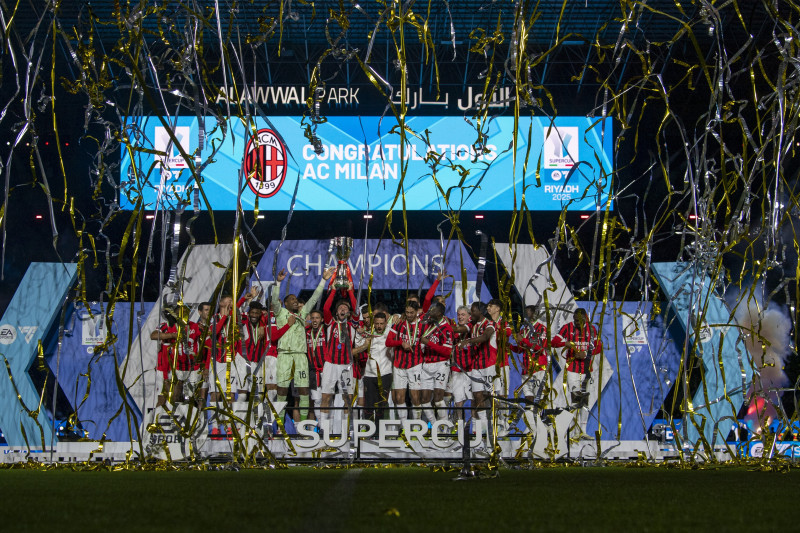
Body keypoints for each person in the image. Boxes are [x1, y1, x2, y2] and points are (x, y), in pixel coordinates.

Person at [270, 267, 334, 424]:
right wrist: (278, 283)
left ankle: (304, 426)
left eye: (296, 300)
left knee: (304, 392)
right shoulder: (280, 313)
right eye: (292, 299)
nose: (295, 301)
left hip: (300, 356)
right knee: (282, 391)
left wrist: (323, 280)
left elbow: (314, 298)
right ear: (285, 303)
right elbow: (274, 300)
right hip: (284, 355)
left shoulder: (302, 314)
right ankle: (280, 426)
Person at [550, 308, 603, 440]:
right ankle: (573, 431)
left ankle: (582, 431)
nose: (577, 323)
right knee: (575, 398)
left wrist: (585, 353)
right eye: (575, 320)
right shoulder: (567, 328)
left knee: (585, 400)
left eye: (579, 320)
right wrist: (565, 343)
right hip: (572, 369)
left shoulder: (592, 329)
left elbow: (598, 347)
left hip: (587, 370)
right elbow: (553, 342)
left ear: (585, 318)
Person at [319, 289, 363, 434]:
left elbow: (356, 309)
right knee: (326, 396)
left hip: (346, 366)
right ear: (336, 312)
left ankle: (346, 431)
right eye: (340, 308)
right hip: (330, 364)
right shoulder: (330, 322)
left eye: (346, 308)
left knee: (347, 399)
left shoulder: (353, 325)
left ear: (349, 313)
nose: (343, 309)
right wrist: (333, 290)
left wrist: (350, 291)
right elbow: (326, 308)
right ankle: (324, 430)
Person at [149, 303, 201, 426]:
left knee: (179, 397)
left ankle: (181, 423)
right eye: (178, 313)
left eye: (185, 313)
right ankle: (155, 424)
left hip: (181, 366)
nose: (182, 316)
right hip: (164, 367)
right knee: (163, 397)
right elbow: (153, 335)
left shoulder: (193, 326)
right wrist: (172, 335)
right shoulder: (166, 326)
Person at [457, 302, 496, 428]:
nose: (471, 313)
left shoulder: (490, 324)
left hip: (489, 365)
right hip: (476, 365)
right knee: (477, 394)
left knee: (491, 395)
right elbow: (460, 329)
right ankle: (484, 426)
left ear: (480, 311)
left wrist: (468, 341)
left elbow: (485, 337)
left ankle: (497, 422)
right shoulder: (472, 324)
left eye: (473, 311)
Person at [386, 300, 425, 421]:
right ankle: (404, 426)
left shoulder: (423, 325)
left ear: (417, 312)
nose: (408, 315)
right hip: (399, 364)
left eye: (411, 312)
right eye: (407, 312)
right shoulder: (399, 323)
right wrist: (401, 343)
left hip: (415, 364)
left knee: (415, 397)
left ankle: (417, 426)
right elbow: (388, 342)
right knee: (399, 398)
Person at [513, 304, 549, 433]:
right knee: (529, 399)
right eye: (525, 312)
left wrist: (523, 340)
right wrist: (509, 346)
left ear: (535, 313)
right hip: (526, 370)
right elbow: (520, 349)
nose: (526, 315)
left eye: (528, 312)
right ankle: (532, 427)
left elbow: (539, 348)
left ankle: (542, 425)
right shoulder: (524, 329)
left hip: (538, 368)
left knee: (539, 399)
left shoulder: (541, 329)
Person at [419, 302, 454, 423]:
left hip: (441, 365)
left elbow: (447, 352)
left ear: (439, 313)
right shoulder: (428, 325)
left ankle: (445, 426)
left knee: (438, 399)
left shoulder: (447, 329)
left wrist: (428, 343)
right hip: (426, 365)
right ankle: (435, 426)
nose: (430, 311)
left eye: (432, 310)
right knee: (424, 400)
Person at [358, 312, 393, 421]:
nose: (379, 326)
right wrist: (364, 342)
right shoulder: (367, 334)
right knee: (368, 405)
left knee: (381, 405)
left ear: (386, 323)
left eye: (381, 324)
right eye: (377, 323)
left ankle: (379, 430)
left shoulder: (390, 331)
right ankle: (369, 429)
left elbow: (398, 318)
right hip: (369, 374)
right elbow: (357, 348)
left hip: (385, 374)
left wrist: (396, 315)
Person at [486, 298, 513, 435]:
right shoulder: (486, 323)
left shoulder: (504, 323)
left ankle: (504, 423)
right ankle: (492, 422)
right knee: (491, 394)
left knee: (502, 394)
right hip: (488, 365)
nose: (488, 308)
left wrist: (495, 327)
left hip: (502, 364)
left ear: (497, 309)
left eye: (490, 306)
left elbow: (507, 334)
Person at [447, 305, 472, 422]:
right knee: (458, 400)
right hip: (457, 369)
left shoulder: (471, 328)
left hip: (470, 369)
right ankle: (460, 424)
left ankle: (475, 427)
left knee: (473, 399)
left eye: (463, 315)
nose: (460, 317)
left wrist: (445, 327)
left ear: (469, 316)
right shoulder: (454, 331)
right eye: (458, 315)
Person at [305, 309, 327, 421]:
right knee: (317, 400)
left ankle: (329, 425)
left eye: (317, 318)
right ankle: (321, 425)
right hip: (313, 371)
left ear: (322, 320)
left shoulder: (326, 330)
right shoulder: (306, 332)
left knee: (327, 399)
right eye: (312, 318)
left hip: (326, 370)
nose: (314, 320)